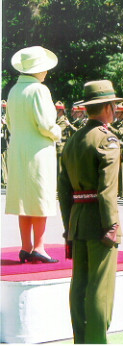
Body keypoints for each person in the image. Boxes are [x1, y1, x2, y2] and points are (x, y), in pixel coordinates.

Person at [58, 79, 123, 343]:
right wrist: (112, 225)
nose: (116, 110)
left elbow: (63, 190)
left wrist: (68, 227)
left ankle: (82, 341)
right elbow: (108, 189)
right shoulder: (106, 139)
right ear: (107, 107)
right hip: (99, 220)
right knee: (100, 288)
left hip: (77, 219)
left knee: (80, 285)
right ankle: (97, 342)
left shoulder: (73, 140)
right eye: (115, 106)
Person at [5, 46, 61, 263]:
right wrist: (58, 132)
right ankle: (39, 246)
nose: (46, 72)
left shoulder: (13, 91)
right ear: (38, 70)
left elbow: (9, 124)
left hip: (18, 148)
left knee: (23, 199)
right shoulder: (39, 90)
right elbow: (46, 125)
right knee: (39, 197)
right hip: (38, 150)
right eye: (44, 68)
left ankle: (25, 246)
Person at [108, 101, 123, 200]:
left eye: (118, 112)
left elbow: (120, 133)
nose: (116, 114)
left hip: (122, 148)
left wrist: (110, 127)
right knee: (117, 171)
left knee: (122, 172)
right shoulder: (116, 123)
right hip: (116, 147)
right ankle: (119, 191)